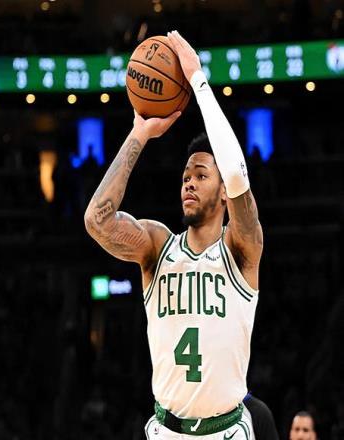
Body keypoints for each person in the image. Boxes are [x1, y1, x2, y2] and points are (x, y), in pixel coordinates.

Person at [84, 30, 263, 439]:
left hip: (227, 431)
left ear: (223, 192)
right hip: (165, 430)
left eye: (201, 175)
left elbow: (237, 175)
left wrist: (198, 81)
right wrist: (139, 133)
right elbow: (97, 220)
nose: (189, 183)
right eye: (185, 177)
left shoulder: (242, 248)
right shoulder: (157, 246)